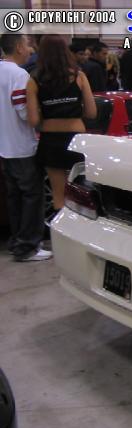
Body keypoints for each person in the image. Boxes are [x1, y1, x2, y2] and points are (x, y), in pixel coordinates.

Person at [26, 34, 97, 226]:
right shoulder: (79, 76)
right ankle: (82, 233)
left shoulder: (34, 80)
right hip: (77, 140)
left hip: (51, 142)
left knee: (59, 196)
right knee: (81, 194)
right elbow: (91, 112)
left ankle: (61, 235)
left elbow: (33, 120)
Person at [0, 34, 51, 262]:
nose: (31, 49)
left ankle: (17, 242)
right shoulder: (19, 75)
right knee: (32, 196)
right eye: (28, 45)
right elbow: (24, 112)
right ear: (19, 47)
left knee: (14, 197)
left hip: (4, 146)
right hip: (22, 145)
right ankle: (29, 246)